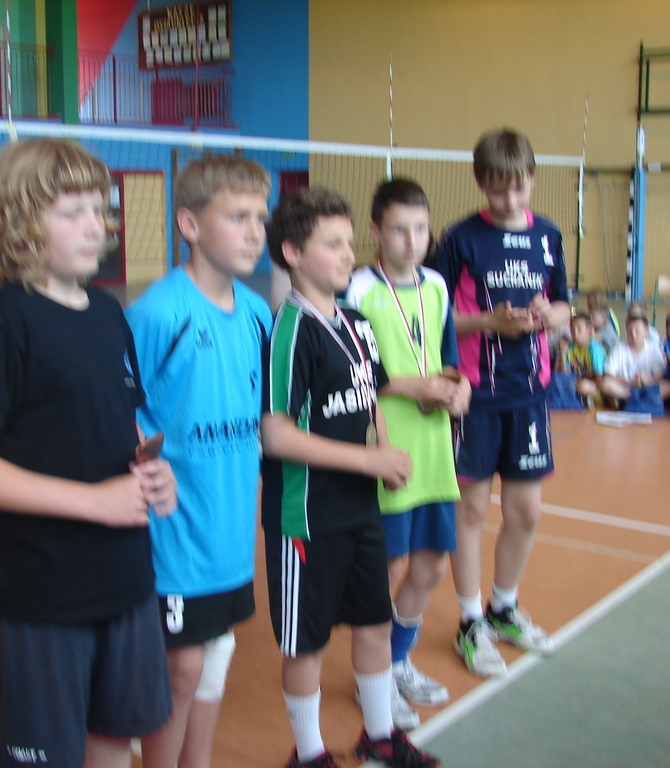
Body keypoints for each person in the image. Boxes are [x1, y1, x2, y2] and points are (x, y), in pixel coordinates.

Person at [0, 138, 177, 768]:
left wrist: (153, 472)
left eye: (100, 209)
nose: (97, 226)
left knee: (114, 741)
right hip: (40, 596)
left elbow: (117, 424)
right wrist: (93, 502)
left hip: (125, 583)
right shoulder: (0, 323)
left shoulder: (108, 314)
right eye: (73, 212)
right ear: (19, 223)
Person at [262, 187, 439, 768]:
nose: (347, 254)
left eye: (348, 242)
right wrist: (369, 462)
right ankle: (309, 752)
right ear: (293, 252)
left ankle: (379, 734)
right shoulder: (292, 330)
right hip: (307, 517)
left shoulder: (356, 323)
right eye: (331, 244)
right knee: (306, 641)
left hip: (361, 508)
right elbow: (276, 434)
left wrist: (385, 454)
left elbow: (371, 399)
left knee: (374, 622)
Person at [125, 156, 273, 768]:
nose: (255, 232)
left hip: (229, 528)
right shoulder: (158, 313)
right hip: (174, 531)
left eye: (260, 218)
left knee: (215, 654)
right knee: (182, 665)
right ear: (189, 224)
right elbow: (117, 407)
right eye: (237, 217)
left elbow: (263, 415)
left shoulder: (259, 314)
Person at [427, 127, 570, 678]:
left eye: (518, 187)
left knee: (526, 511)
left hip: (528, 391)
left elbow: (563, 303)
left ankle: (503, 608)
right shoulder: (460, 239)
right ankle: (469, 621)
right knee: (470, 510)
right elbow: (434, 315)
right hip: (473, 394)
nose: (509, 199)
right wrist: (490, 321)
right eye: (497, 188)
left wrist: (549, 316)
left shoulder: (549, 235)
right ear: (480, 183)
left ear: (532, 178)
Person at [344, 178, 470, 730]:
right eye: (399, 229)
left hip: (434, 448)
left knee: (431, 564)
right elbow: (350, 371)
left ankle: (396, 662)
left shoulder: (437, 286)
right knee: (388, 566)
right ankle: (371, 678)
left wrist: (459, 388)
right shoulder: (357, 290)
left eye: (420, 228)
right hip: (388, 447)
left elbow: (448, 358)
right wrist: (409, 387)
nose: (412, 240)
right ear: (376, 230)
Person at [600, 311, 670, 402]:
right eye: (630, 332)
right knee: (605, 383)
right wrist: (630, 382)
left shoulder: (653, 348)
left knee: (668, 387)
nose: (633, 335)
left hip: (648, 387)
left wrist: (647, 380)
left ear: (646, 331)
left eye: (637, 331)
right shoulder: (618, 347)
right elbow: (609, 374)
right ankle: (636, 398)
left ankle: (640, 399)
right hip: (626, 388)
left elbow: (660, 375)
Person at [555, 312, 605, 407]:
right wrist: (562, 354)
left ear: (589, 330)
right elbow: (566, 374)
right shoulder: (570, 348)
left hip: (593, 385)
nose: (575, 333)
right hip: (575, 382)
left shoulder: (594, 349)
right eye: (572, 329)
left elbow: (599, 376)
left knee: (582, 386)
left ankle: (597, 398)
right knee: (558, 381)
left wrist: (600, 390)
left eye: (579, 329)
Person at [586, 289, 620, 354]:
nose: (590, 318)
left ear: (604, 317)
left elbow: (593, 339)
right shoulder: (601, 318)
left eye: (593, 316)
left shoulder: (607, 328)